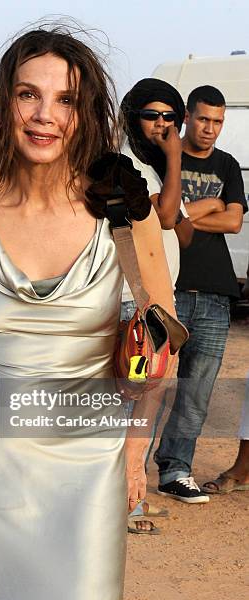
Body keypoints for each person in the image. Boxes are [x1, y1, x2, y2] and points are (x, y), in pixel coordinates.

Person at [0, 27, 176, 600]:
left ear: (87, 111)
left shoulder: (123, 211)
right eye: (29, 95)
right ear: (5, 104)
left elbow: (162, 345)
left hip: (90, 450)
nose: (44, 115)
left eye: (66, 99)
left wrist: (132, 448)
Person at [154, 85, 248, 503]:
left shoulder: (228, 165)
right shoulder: (161, 160)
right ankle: (121, 467)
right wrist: (205, 204)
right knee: (140, 384)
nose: (211, 129)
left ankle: (175, 469)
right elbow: (159, 214)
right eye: (204, 119)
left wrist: (186, 213)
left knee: (195, 394)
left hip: (214, 292)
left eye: (218, 122)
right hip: (164, 287)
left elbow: (233, 223)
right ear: (187, 117)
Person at [119, 78, 191, 535]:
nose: (163, 125)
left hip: (161, 305)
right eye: (153, 115)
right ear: (134, 116)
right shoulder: (126, 165)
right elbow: (167, 219)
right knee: (129, 398)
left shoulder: (154, 167)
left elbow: (182, 233)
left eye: (170, 117)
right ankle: (122, 498)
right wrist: (176, 155)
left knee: (149, 397)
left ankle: (130, 492)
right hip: (136, 303)